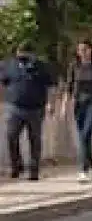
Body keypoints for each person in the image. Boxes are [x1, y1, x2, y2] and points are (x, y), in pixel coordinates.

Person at [0, 43, 54, 180]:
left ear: (32, 54)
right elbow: (3, 83)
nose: (22, 57)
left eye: (26, 54)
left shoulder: (41, 66)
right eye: (20, 54)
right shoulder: (9, 65)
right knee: (11, 136)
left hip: (36, 108)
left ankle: (34, 170)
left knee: (35, 140)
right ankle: (16, 165)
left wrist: (50, 103)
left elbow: (51, 85)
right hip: (14, 108)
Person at [60, 41, 92, 182]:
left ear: (91, 50)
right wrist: (64, 105)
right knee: (84, 137)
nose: (83, 52)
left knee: (85, 134)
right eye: (80, 50)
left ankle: (83, 170)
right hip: (79, 105)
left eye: (86, 49)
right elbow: (69, 86)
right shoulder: (74, 66)